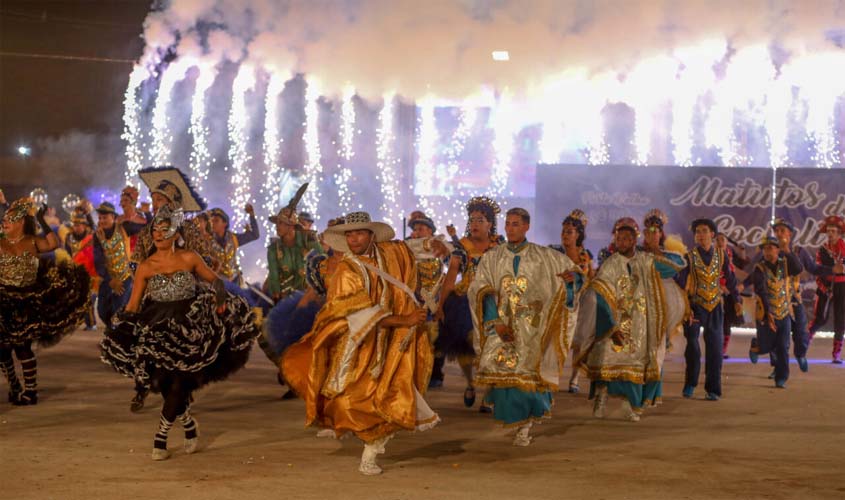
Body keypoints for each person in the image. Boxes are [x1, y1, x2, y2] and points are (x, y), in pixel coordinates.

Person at [281, 212, 437, 475]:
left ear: (371, 235)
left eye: (359, 233)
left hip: (396, 340)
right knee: (355, 399)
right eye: (349, 235)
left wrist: (438, 248)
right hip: (363, 343)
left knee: (394, 392)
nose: (353, 239)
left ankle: (371, 452)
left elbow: (418, 252)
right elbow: (359, 316)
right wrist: (405, 318)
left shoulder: (391, 252)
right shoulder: (346, 270)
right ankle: (366, 442)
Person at [100, 205, 260, 460]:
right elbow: (133, 304)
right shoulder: (145, 266)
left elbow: (216, 280)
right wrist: (120, 324)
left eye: (165, 230)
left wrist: (219, 297)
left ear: (176, 234)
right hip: (156, 325)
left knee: (179, 382)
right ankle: (187, 423)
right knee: (164, 382)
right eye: (156, 229)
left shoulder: (189, 257)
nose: (159, 234)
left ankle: (160, 438)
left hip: (191, 325)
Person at [469, 208, 581, 445]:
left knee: (531, 375)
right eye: (508, 224)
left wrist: (571, 284)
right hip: (501, 327)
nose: (510, 229)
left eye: (516, 224)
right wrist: (495, 322)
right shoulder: (492, 257)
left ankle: (526, 425)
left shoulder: (545, 256)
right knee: (504, 373)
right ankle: (518, 421)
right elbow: (481, 290)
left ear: (527, 227)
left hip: (533, 329)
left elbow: (574, 275)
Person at [574, 216, 685, 422]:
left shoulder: (645, 260)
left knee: (634, 365)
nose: (622, 242)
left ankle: (629, 405)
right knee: (606, 364)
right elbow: (599, 293)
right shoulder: (611, 264)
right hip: (612, 326)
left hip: (639, 327)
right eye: (619, 238)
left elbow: (677, 265)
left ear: (635, 240)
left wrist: (655, 249)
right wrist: (610, 326)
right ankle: (601, 398)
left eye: (627, 238)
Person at [0, 198, 90, 405]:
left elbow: (53, 243)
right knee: (2, 350)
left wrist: (42, 219)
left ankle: (31, 392)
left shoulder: (32, 241)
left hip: (26, 302)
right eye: (3, 219)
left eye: (10, 219)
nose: (4, 222)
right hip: (3, 301)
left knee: (22, 347)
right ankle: (14, 386)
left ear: (21, 222)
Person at [433, 196, 504, 410]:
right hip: (464, 301)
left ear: (490, 224)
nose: (474, 224)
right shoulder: (461, 247)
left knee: (493, 346)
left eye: (480, 220)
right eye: (472, 219)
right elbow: (451, 275)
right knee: (464, 346)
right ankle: (471, 383)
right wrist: (441, 305)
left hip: (493, 299)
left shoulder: (500, 245)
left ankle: (489, 393)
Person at [677, 218, 737, 401]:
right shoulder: (689, 257)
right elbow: (680, 282)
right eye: (698, 232)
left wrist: (736, 298)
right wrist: (684, 306)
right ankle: (690, 383)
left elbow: (731, 279)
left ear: (712, 235)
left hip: (715, 307)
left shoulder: (722, 255)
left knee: (715, 349)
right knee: (693, 347)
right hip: (694, 307)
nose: (701, 235)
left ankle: (713, 389)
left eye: (704, 231)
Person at [770, 218, 841, 371]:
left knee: (801, 330)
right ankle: (777, 368)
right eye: (777, 231)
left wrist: (831, 270)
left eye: (783, 230)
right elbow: (759, 270)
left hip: (794, 298)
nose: (780, 233)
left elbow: (814, 268)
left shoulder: (799, 251)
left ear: (790, 234)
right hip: (775, 300)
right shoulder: (770, 250)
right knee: (777, 336)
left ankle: (801, 354)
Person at [549, 208, 594, 393]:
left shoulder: (585, 255)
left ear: (578, 235)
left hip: (580, 304)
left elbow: (591, 278)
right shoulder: (553, 251)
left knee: (580, 340)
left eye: (569, 232)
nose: (564, 235)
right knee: (554, 341)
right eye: (563, 231)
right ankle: (552, 376)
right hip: (558, 301)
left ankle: (574, 378)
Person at [748, 236, 803, 388]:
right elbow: (761, 290)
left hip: (784, 312)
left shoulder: (786, 264)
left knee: (783, 346)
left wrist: (787, 250)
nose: (768, 251)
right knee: (767, 346)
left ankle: (781, 377)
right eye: (765, 249)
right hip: (766, 312)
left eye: (771, 248)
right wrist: (768, 313)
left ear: (777, 249)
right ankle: (756, 344)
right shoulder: (759, 268)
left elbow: (799, 268)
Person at [93, 202, 138, 328]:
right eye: (100, 218)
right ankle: (113, 330)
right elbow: (98, 260)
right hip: (108, 278)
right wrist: (110, 280)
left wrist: (144, 213)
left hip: (125, 276)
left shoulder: (125, 228)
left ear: (113, 217)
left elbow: (144, 226)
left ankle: (116, 335)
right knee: (102, 310)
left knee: (118, 309)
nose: (102, 221)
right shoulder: (97, 235)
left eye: (105, 217)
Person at [808, 215, 845, 363]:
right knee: (820, 318)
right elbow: (817, 269)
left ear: (840, 233)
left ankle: (836, 353)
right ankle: (804, 343)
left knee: (840, 319)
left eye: (833, 231)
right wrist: (824, 286)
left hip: (842, 286)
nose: (830, 234)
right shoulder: (822, 250)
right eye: (828, 231)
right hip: (825, 285)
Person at [208, 205, 259, 284]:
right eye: (211, 221)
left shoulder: (233, 238)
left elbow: (255, 235)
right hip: (218, 283)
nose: (213, 223)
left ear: (224, 223)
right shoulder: (207, 240)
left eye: (216, 221)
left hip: (236, 280)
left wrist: (251, 215)